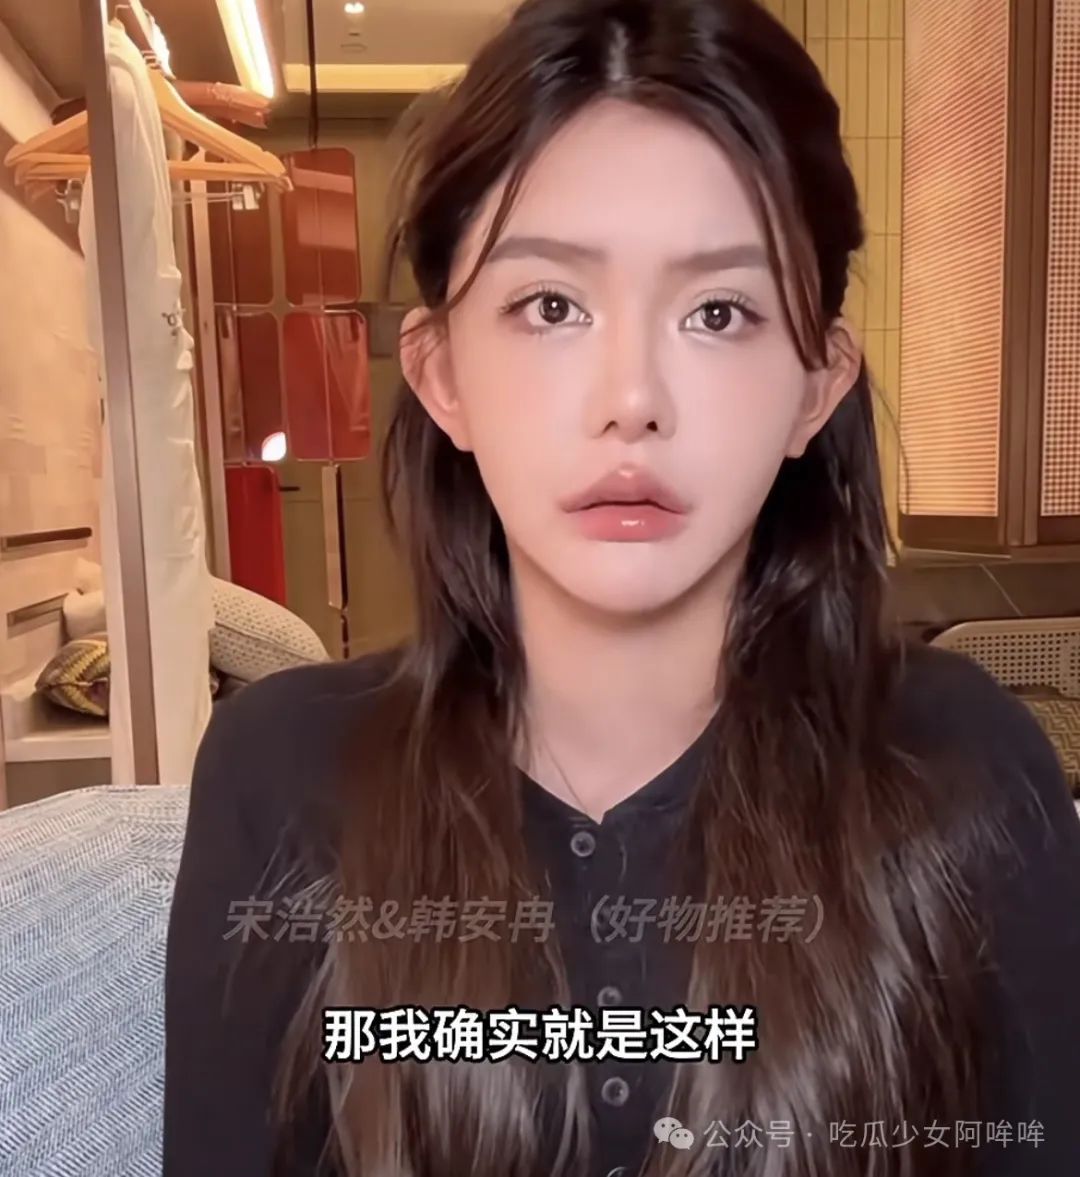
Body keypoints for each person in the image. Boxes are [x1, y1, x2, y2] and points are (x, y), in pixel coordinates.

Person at [162, 1, 1080, 1175]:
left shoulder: (967, 767)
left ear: (815, 385)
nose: (632, 399)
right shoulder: (280, 775)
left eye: (719, 312)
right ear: (442, 375)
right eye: (551, 307)